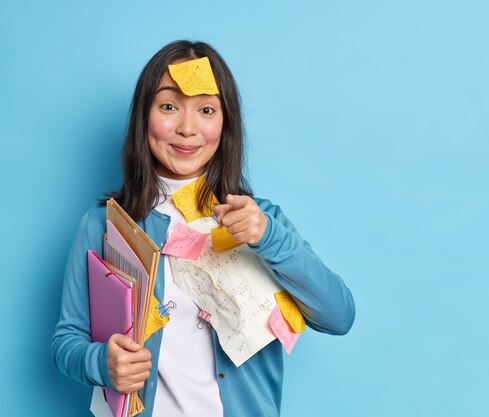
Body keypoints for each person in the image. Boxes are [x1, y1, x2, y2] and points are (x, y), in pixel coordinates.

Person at [52, 40, 355, 417]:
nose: (187, 128)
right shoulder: (105, 225)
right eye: (168, 106)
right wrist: (102, 362)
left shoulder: (260, 220)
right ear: (143, 117)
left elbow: (339, 316)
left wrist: (269, 237)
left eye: (206, 110)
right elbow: (67, 342)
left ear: (225, 123)